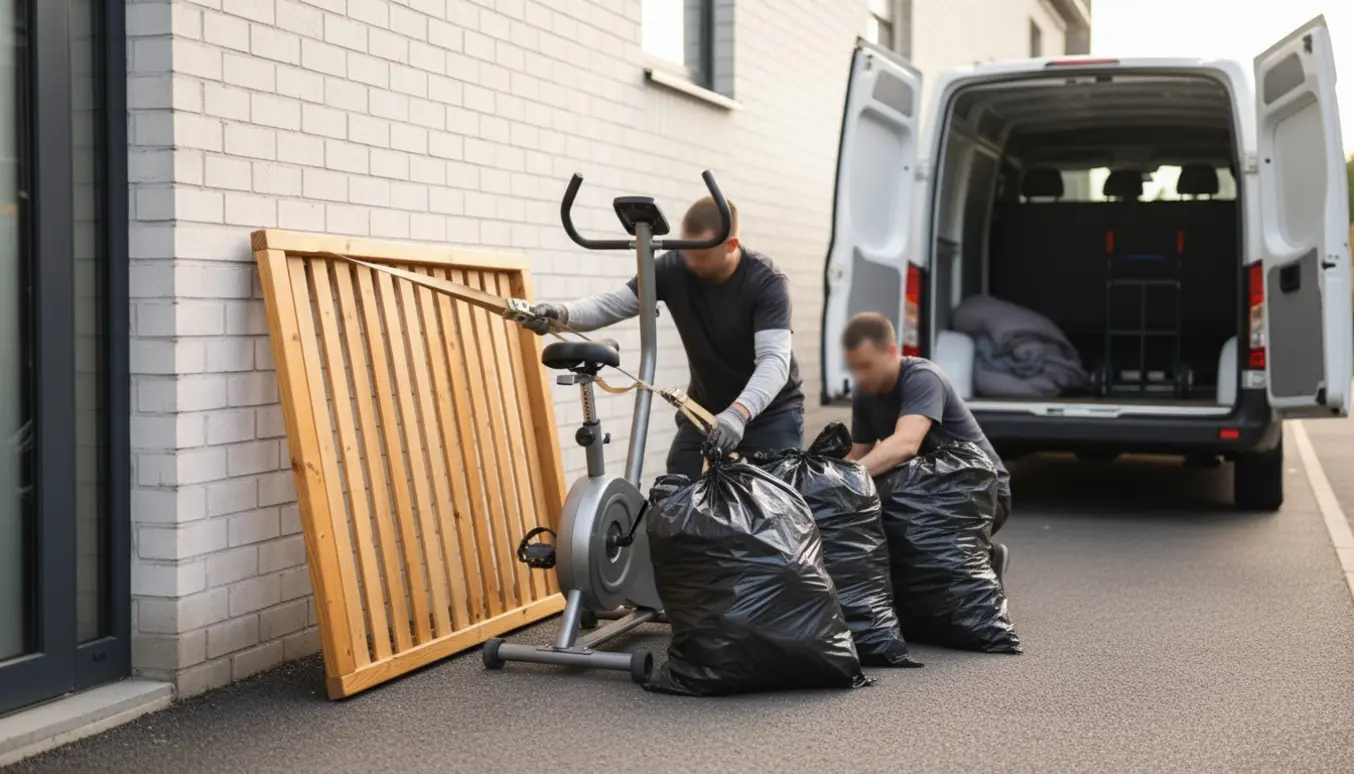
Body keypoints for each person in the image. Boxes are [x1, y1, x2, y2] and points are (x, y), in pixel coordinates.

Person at [525, 195, 805, 480]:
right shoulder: (674, 267)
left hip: (769, 414)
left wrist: (739, 413)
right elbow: (612, 304)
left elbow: (774, 361)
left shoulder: (766, 282)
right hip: (705, 408)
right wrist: (559, 314)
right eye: (686, 250)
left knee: (771, 506)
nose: (691, 262)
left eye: (702, 256)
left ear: (731, 245)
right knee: (679, 490)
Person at [840, 312, 1012, 581]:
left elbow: (906, 443)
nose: (860, 376)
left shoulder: (923, 377)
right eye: (854, 368)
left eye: (867, 366)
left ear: (892, 352)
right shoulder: (865, 394)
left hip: (982, 492)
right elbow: (857, 455)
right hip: (924, 493)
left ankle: (984, 559)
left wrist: (847, 478)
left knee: (923, 547)